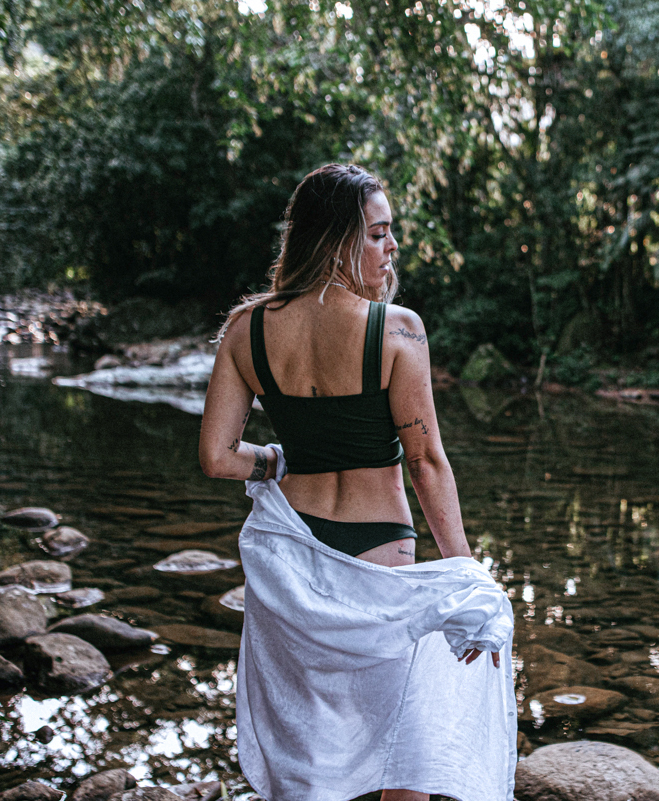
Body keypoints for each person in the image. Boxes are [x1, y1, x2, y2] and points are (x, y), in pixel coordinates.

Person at [199, 164, 515, 801]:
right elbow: (426, 462)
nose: (391, 246)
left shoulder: (246, 329)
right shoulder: (396, 328)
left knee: (316, 744)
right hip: (379, 549)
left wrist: (275, 461)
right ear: (337, 240)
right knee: (402, 743)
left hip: (291, 558)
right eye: (378, 233)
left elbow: (217, 457)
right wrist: (465, 578)